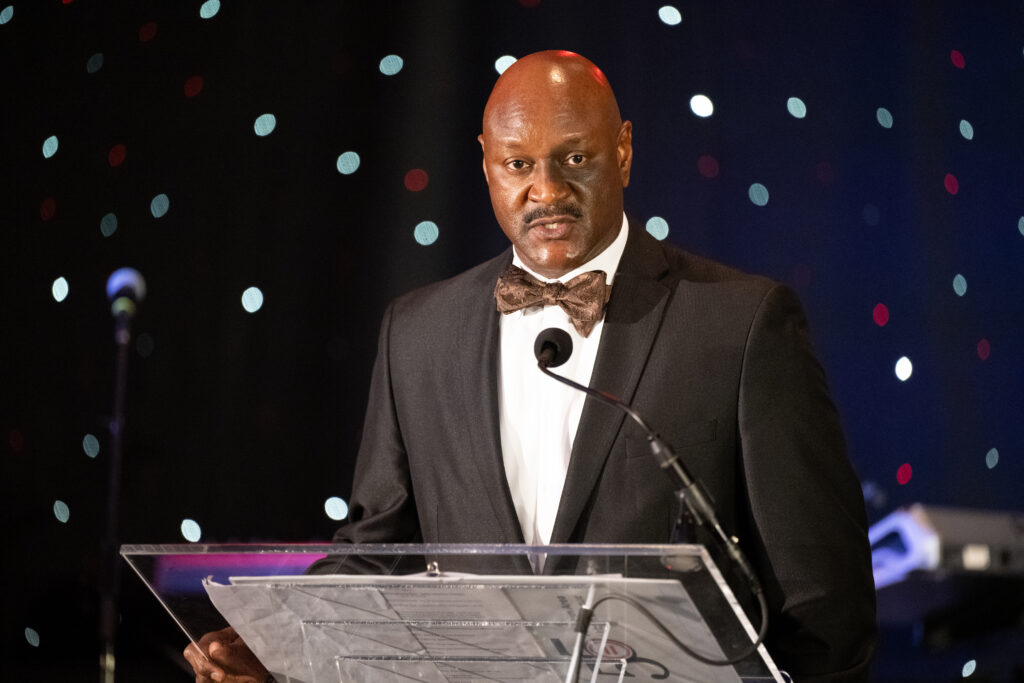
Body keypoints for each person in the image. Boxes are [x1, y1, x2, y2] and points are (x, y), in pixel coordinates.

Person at [186, 50, 876, 682]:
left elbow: (824, 601)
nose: (546, 190)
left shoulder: (741, 323)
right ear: (486, 161)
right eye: (519, 164)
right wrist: (272, 644)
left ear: (624, 151)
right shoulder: (417, 332)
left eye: (575, 160)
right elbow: (377, 550)